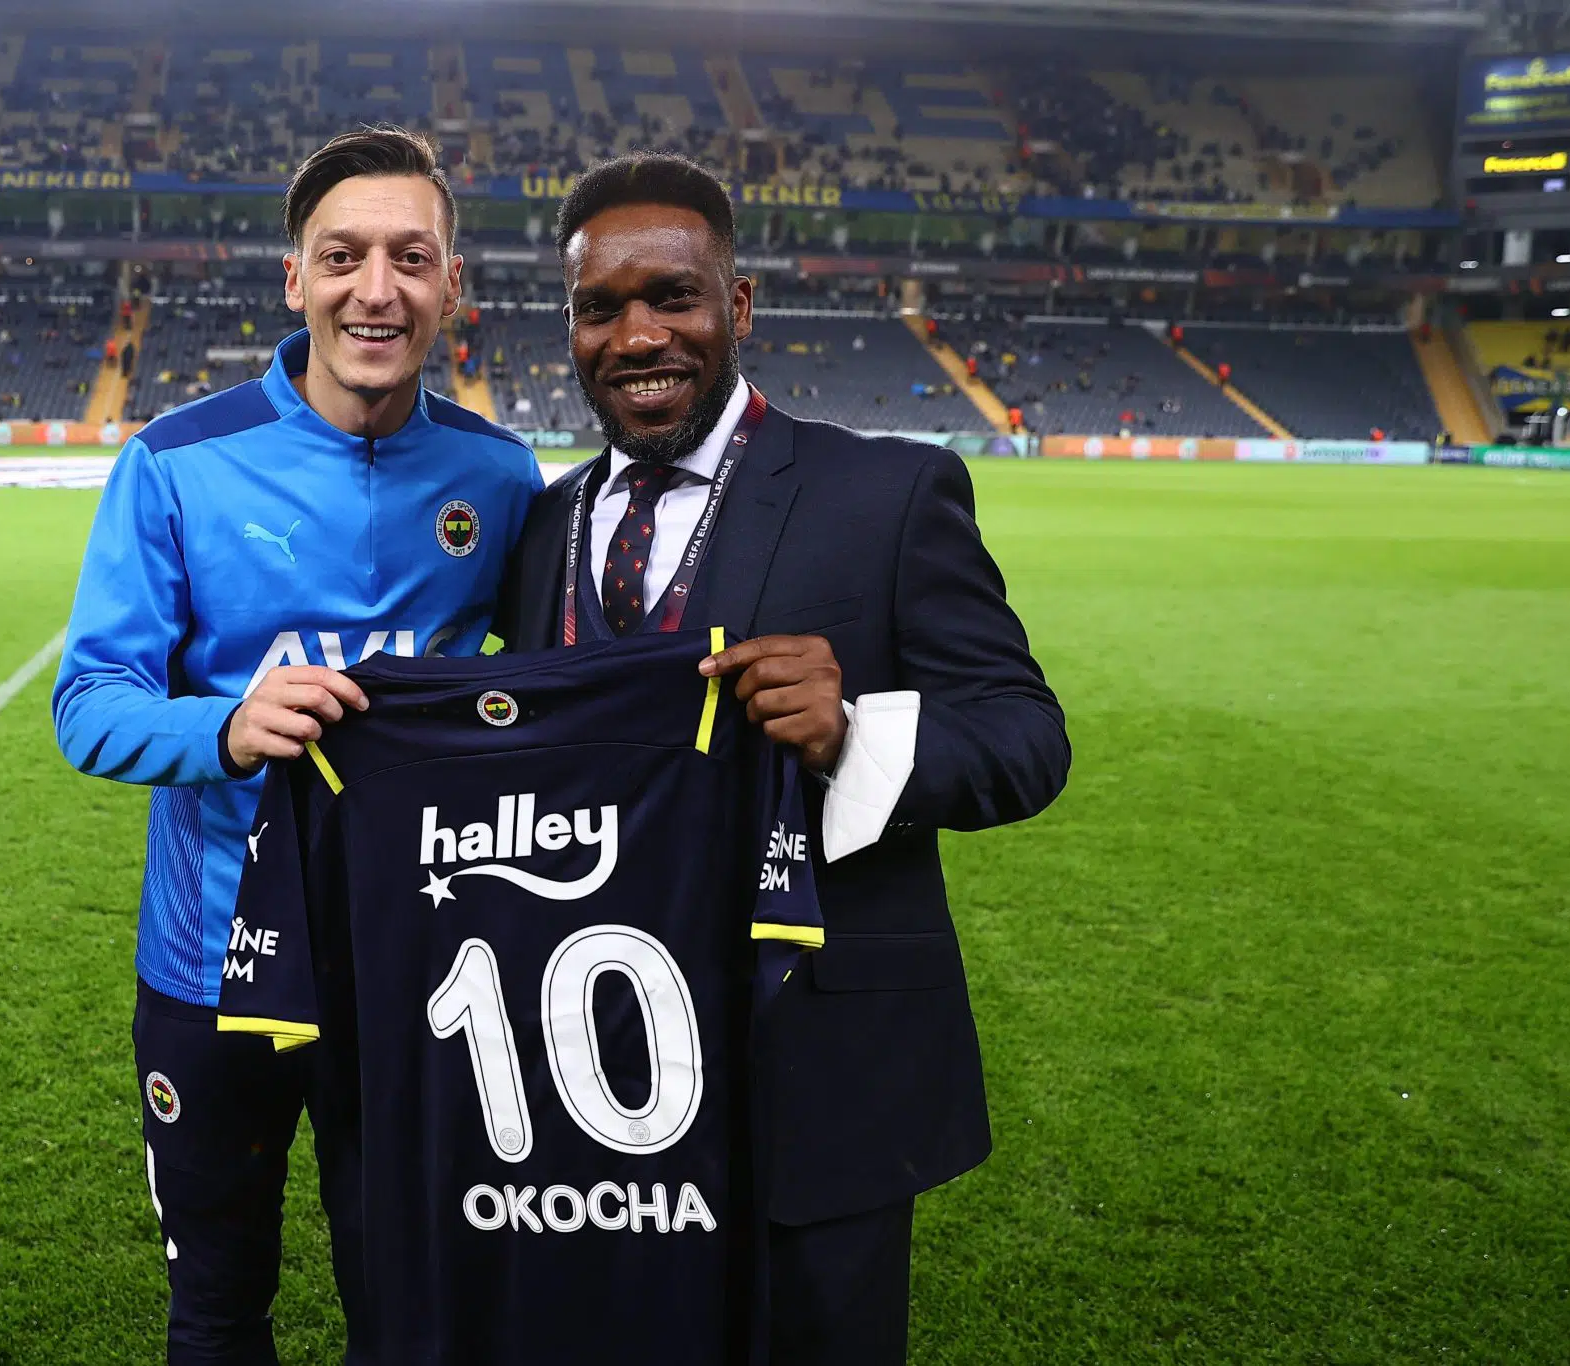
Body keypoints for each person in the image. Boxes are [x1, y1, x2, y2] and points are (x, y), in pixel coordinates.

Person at [494, 153, 1070, 1364]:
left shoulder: (888, 492)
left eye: (673, 296)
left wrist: (854, 732)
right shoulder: (541, 524)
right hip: (591, 1070)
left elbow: (1023, 737)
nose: (636, 336)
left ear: (738, 304)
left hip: (818, 1075)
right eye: (599, 308)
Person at [52, 126, 542, 1365]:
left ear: (450, 284)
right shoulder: (174, 462)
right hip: (211, 963)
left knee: (414, 1301)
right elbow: (89, 700)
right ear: (294, 278)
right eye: (342, 256)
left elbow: (545, 693)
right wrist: (224, 724)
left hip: (419, 961)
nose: (376, 289)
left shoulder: (498, 478)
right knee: (218, 1311)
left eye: (410, 258)